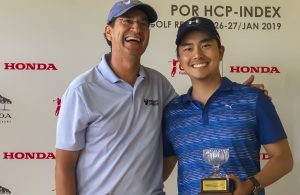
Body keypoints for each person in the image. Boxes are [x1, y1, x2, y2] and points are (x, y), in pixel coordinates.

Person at [55, 1, 267, 195]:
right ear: (109, 32)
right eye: (127, 21)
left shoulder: (158, 84)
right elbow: (64, 164)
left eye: (143, 23)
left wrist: (239, 96)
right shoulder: (82, 90)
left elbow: (193, 111)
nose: (136, 28)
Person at [162, 16, 293, 195]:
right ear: (179, 59)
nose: (197, 54)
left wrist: (250, 185)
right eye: (188, 48)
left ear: (221, 52)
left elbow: (283, 159)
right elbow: (160, 172)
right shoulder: (173, 112)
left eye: (206, 45)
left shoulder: (253, 99)